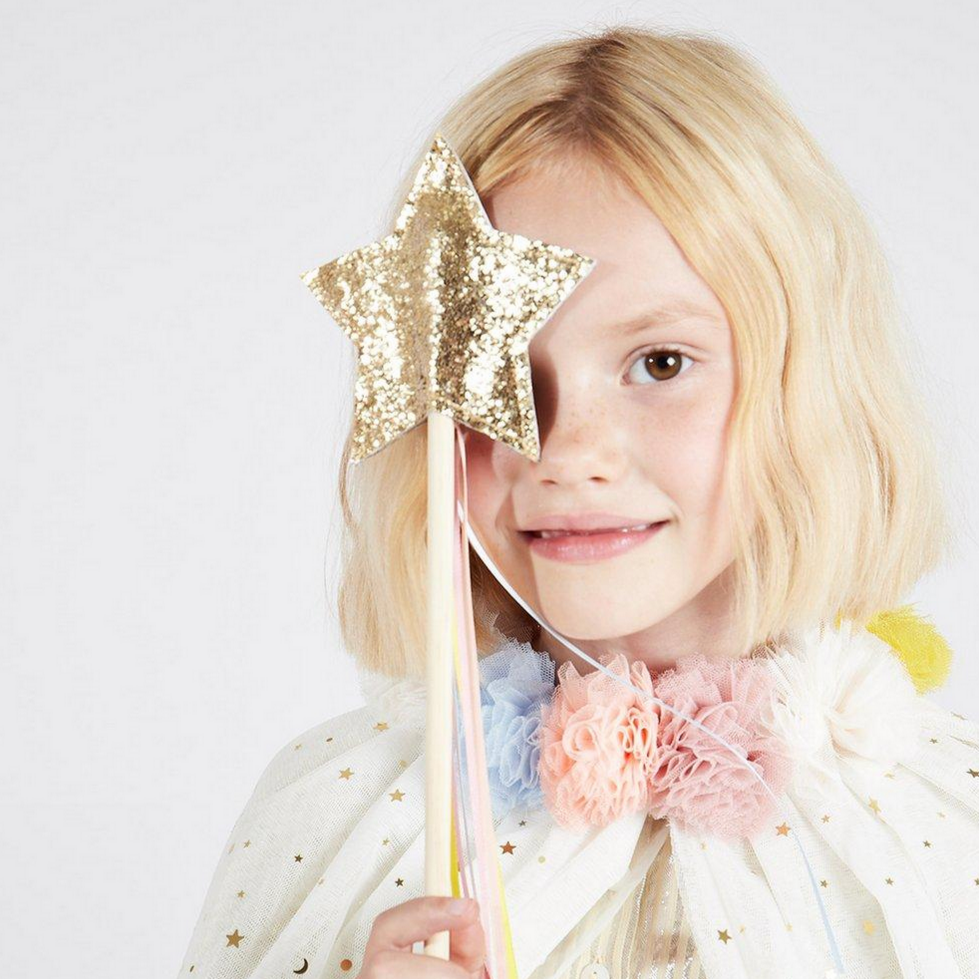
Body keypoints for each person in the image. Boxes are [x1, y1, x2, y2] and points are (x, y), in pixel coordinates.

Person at [175, 25, 978, 979]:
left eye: (659, 362)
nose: (558, 452)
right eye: (501, 376)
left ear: (807, 385)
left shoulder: (942, 824)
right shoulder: (341, 817)